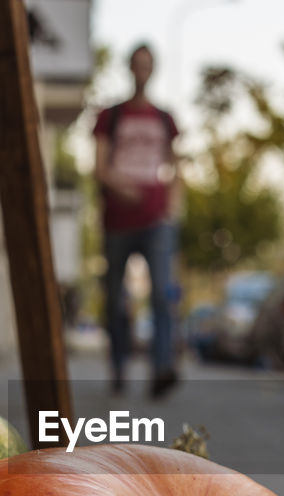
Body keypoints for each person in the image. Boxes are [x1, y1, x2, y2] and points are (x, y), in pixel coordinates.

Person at [93, 43, 181, 398]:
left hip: (156, 221)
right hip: (117, 221)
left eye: (148, 64)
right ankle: (118, 365)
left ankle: (162, 368)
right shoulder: (110, 116)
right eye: (137, 64)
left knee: (162, 294)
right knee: (115, 297)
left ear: (153, 69)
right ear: (130, 68)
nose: (142, 70)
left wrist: (173, 209)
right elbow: (99, 167)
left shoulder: (164, 119)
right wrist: (122, 186)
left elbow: (176, 167)